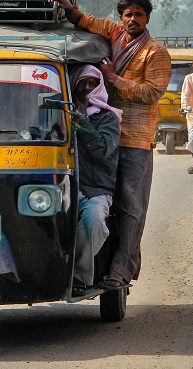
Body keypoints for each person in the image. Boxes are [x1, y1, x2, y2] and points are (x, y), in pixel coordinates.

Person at [48, 0, 171, 289]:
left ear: (147, 19)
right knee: (98, 200)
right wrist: (69, 9)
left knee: (130, 206)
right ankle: (93, 265)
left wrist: (113, 78)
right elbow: (88, 22)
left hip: (134, 138)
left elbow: (152, 93)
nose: (132, 20)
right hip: (102, 129)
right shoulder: (115, 34)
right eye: (127, 15)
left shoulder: (156, 52)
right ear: (121, 18)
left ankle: (121, 269)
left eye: (138, 15)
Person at [69, 65, 122, 294]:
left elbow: (101, 149)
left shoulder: (108, 118)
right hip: (65, 188)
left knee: (93, 222)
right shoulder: (62, 113)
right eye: (84, 83)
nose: (88, 88)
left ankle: (77, 277)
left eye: (93, 83)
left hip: (97, 191)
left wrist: (81, 120)